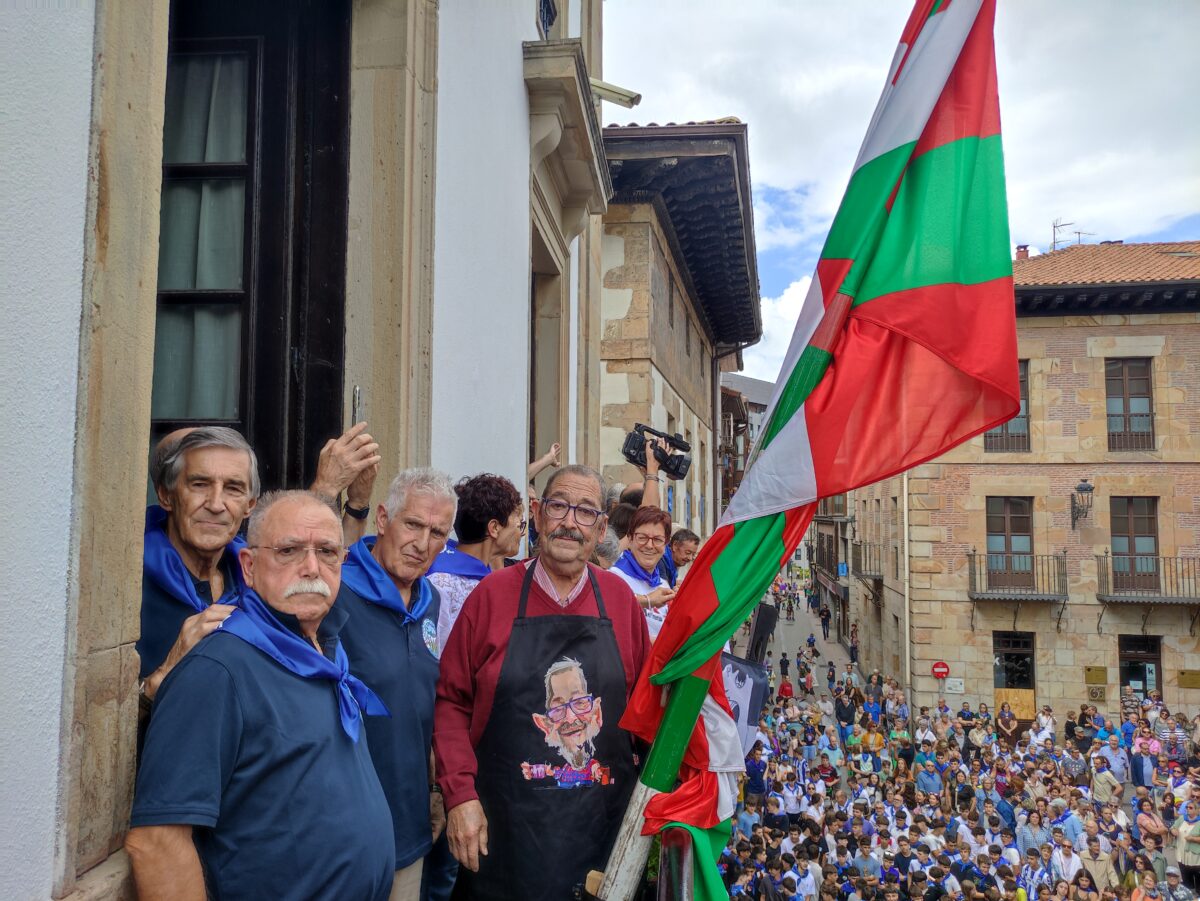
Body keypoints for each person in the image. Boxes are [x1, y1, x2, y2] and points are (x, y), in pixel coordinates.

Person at [126, 491, 394, 900]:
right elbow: (156, 842)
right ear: (249, 567)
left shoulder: (325, 647)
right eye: (289, 550)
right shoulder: (217, 669)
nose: (311, 567)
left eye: (326, 552)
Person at [433, 464, 650, 900]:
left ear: (601, 528)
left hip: (602, 835)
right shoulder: (490, 597)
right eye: (558, 506)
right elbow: (451, 703)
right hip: (504, 839)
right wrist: (459, 796)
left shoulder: (622, 602)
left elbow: (648, 713)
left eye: (585, 511)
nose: (570, 522)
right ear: (537, 514)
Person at [336, 469, 457, 899]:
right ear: (384, 519)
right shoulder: (335, 591)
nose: (422, 543)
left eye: (437, 533)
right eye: (413, 524)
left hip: (409, 827)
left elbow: (425, 702)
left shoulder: (431, 601)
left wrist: (434, 788)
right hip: (345, 833)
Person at [138, 427, 259, 702]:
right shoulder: (126, 580)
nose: (216, 504)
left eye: (233, 488)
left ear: (249, 506)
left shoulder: (258, 581)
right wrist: (161, 678)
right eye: (199, 484)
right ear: (166, 495)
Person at [427, 472, 524, 650]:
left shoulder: (481, 574)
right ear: (494, 528)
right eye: (519, 526)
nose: (520, 534)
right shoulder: (443, 583)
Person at [610, 505, 677, 640]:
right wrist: (648, 600)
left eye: (657, 540)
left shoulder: (663, 585)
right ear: (630, 538)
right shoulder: (613, 576)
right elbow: (607, 606)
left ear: (666, 544)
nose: (649, 545)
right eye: (642, 537)